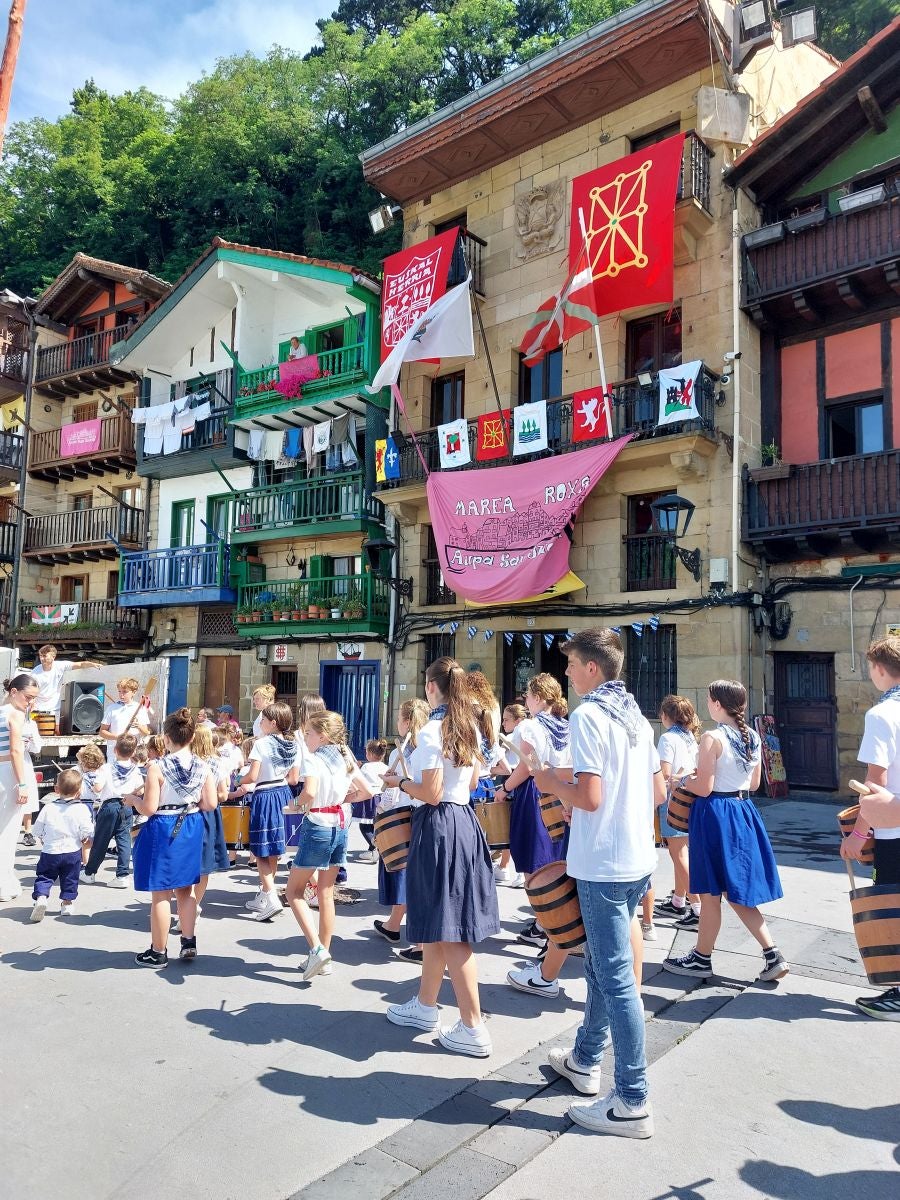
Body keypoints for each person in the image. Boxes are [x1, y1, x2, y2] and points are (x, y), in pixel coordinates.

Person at [534, 629, 662, 1138]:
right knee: (605, 969)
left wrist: (549, 783)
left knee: (615, 978)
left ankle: (632, 1099)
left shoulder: (589, 715)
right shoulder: (636, 715)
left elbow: (588, 797)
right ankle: (586, 1058)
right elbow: (655, 790)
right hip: (636, 858)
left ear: (591, 668)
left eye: (570, 665)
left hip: (603, 862)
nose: (565, 673)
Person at [383, 657, 500, 1058]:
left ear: (432, 688)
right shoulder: (465, 729)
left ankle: (473, 1026)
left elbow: (430, 792)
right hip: (462, 820)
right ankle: (425, 1005)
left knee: (451, 930)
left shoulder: (433, 732)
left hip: (439, 824)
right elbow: (468, 781)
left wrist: (397, 780)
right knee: (437, 921)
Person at [663, 679, 788, 986]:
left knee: (710, 892)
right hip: (743, 810)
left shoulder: (712, 737)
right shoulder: (753, 738)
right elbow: (755, 783)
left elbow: (704, 786)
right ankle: (771, 954)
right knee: (734, 889)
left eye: (709, 699)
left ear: (717, 703)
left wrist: (680, 782)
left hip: (715, 813)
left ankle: (702, 958)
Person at [131, 707, 217, 968]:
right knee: (186, 889)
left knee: (161, 893)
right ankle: (188, 941)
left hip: (165, 826)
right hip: (191, 824)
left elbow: (149, 808)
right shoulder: (203, 766)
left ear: (166, 738)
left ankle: (158, 951)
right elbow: (211, 803)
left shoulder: (157, 767)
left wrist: (133, 799)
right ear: (192, 737)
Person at [842, 637, 900, 1021]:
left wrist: (857, 836)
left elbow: (873, 787)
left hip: (894, 830)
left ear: (880, 669)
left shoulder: (882, 715)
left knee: (893, 910)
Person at [497, 673, 571, 944]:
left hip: (535, 793)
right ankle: (548, 921)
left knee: (533, 858)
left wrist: (504, 789)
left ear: (538, 698)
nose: (525, 700)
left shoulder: (533, 726)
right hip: (560, 791)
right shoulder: (564, 725)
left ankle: (544, 925)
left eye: (527, 695)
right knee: (554, 857)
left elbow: (526, 767)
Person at [285, 710, 357, 979]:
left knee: (294, 891)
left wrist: (294, 805)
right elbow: (365, 790)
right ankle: (324, 955)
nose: (305, 738)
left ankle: (317, 949)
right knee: (326, 892)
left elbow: (309, 792)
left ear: (322, 735)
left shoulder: (313, 759)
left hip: (318, 825)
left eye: (308, 733)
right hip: (339, 824)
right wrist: (339, 798)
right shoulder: (346, 756)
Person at [373, 699, 429, 962]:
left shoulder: (402, 753)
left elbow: (392, 792)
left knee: (411, 877)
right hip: (419, 813)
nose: (397, 722)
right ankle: (394, 926)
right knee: (413, 877)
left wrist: (381, 809)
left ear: (406, 722)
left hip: (403, 817)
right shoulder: (427, 746)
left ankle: (419, 944)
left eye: (399, 718)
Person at [237, 701, 300, 921]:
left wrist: (237, 779)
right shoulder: (294, 745)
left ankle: (271, 896)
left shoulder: (261, 744)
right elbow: (293, 779)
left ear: (273, 723)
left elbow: (252, 777)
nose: (260, 723)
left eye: (263, 720)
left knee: (261, 849)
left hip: (265, 795)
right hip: (283, 794)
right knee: (273, 848)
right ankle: (265, 894)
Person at [653, 695, 702, 932]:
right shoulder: (690, 737)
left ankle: (697, 908)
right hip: (690, 799)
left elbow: (664, 774)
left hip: (673, 801)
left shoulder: (667, 738)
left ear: (665, 716)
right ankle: (678, 901)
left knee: (678, 854)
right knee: (681, 852)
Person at [29, 768, 94, 921]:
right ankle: (67, 903)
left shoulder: (48, 807)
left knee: (44, 876)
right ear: (79, 791)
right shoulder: (81, 808)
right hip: (72, 851)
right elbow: (87, 829)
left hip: (50, 851)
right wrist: (85, 838)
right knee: (70, 878)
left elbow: (36, 829)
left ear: (56, 789)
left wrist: (42, 837)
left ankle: (42, 897)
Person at [80, 733, 142, 887]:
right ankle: (122, 875)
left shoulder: (106, 768)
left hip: (109, 806)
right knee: (124, 841)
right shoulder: (135, 770)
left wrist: (94, 787)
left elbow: (98, 787)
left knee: (101, 841)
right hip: (127, 805)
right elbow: (140, 791)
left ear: (115, 750)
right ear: (133, 752)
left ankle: (90, 873)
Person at [0, 673, 41, 902]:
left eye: (34, 698)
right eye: (28, 697)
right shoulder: (15, 715)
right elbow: (16, 751)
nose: (31, 702)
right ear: (14, 692)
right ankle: (3, 885)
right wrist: (22, 783)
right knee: (7, 831)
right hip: (9, 774)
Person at [190, 726, 230, 916]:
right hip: (209, 812)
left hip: (187, 812)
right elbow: (223, 794)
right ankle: (195, 903)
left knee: (186, 859)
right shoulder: (217, 762)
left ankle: (188, 904)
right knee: (204, 864)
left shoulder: (188, 760)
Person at [31, 645, 101, 733]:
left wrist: (91, 664)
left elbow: (79, 664)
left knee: (58, 732)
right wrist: (32, 705)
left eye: (45, 656)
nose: (42, 658)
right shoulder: (35, 672)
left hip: (56, 708)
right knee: (40, 734)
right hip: (40, 709)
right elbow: (32, 690)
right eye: (40, 656)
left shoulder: (61, 666)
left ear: (53, 656)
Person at [353, 738, 389, 863]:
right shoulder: (386, 767)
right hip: (382, 798)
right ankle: (372, 849)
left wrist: (356, 769)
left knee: (365, 826)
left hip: (369, 798)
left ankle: (376, 847)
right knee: (376, 825)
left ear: (371, 754)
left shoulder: (366, 767)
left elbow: (360, 781)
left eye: (367, 753)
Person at [99, 677, 150, 764]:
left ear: (134, 692)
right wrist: (118, 737)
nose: (121, 695)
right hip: (115, 754)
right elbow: (102, 732)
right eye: (119, 691)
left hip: (134, 755)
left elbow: (146, 733)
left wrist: (138, 726)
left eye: (125, 692)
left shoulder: (140, 709)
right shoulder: (112, 708)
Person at [75, 743, 107, 868]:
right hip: (99, 805)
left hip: (84, 805)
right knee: (93, 835)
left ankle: (85, 862)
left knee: (84, 836)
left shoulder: (81, 774)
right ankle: (88, 860)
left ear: (84, 761)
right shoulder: (102, 772)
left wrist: (81, 754)